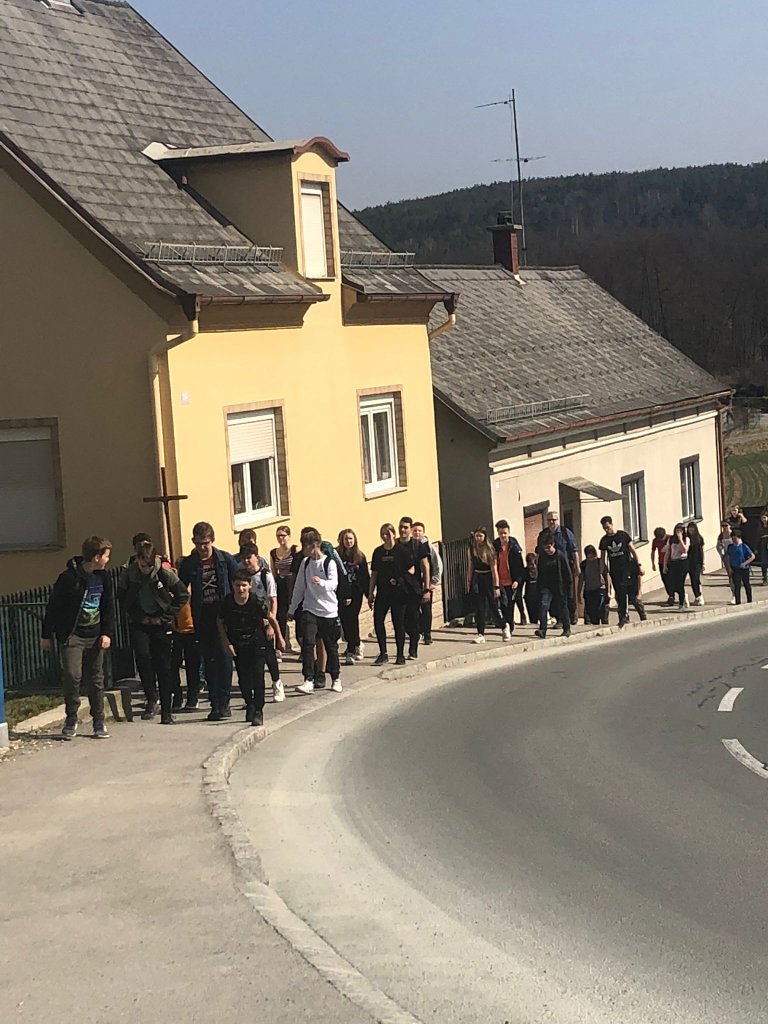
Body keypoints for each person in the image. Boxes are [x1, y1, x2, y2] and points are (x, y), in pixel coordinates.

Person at [41, 536, 115, 740]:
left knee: (96, 679)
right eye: (106, 556)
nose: (108, 560)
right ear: (96, 557)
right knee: (73, 675)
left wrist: (107, 632)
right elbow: (53, 606)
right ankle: (71, 717)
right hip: (73, 635)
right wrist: (46, 635)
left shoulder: (104, 578)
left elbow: (108, 607)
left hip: (95, 635)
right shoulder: (68, 578)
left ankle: (98, 721)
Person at [118, 540, 189, 724]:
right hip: (140, 621)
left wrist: (164, 617)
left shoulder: (164, 573)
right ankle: (151, 699)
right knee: (143, 657)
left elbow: (182, 595)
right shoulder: (130, 573)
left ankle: (166, 710)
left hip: (160, 622)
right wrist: (138, 616)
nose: (146, 570)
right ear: (137, 560)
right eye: (142, 566)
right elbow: (122, 598)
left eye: (149, 566)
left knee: (163, 665)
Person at [178, 522, 238, 721]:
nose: (202, 547)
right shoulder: (190, 564)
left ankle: (224, 702)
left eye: (205, 543)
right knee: (209, 660)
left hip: (222, 614)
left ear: (212, 540)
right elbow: (180, 588)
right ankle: (215, 703)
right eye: (198, 543)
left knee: (224, 658)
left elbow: (239, 581)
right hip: (202, 615)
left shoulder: (225, 560)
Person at [217, 569, 281, 726]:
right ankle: (249, 704)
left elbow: (271, 619)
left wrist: (279, 637)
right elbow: (220, 622)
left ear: (250, 585)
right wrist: (226, 643)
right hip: (238, 643)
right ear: (233, 585)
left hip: (257, 642)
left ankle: (258, 710)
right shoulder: (227, 602)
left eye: (244, 585)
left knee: (258, 675)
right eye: (238, 585)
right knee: (244, 679)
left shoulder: (256, 602)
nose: (241, 589)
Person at [288, 529, 342, 693]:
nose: (303, 550)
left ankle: (336, 678)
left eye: (305, 546)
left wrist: (321, 582)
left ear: (313, 546)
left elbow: (333, 584)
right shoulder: (305, 563)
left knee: (331, 646)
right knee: (308, 644)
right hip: (310, 609)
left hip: (328, 611)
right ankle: (308, 679)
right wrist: (292, 608)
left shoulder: (329, 563)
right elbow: (299, 587)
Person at [239, 542, 284, 702]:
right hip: (249, 622)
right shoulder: (242, 576)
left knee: (269, 655)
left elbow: (273, 600)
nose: (246, 561)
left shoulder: (265, 576)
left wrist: (271, 624)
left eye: (248, 558)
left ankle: (277, 683)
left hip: (265, 620)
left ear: (256, 557)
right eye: (243, 558)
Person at [369, 523, 409, 666]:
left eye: (388, 533)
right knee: (378, 621)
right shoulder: (378, 552)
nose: (385, 536)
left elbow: (411, 569)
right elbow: (374, 573)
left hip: (398, 593)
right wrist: (370, 592)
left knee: (398, 623)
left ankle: (400, 655)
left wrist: (401, 579)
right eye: (383, 534)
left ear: (393, 534)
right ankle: (383, 653)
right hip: (383, 592)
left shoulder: (401, 551)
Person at [599, 516, 645, 626]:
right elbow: (603, 557)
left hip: (627, 568)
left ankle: (639, 614)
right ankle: (623, 617)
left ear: (612, 524)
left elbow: (633, 550)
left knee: (629, 593)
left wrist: (639, 565)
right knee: (619, 594)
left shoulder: (623, 535)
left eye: (608, 527)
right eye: (604, 528)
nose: (607, 530)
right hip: (615, 570)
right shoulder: (604, 540)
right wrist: (602, 572)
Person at [170, 555, 202, 711]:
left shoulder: (193, 588)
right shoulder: (174, 588)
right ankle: (177, 696)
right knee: (173, 666)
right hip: (176, 631)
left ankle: (192, 697)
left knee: (192, 666)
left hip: (192, 631)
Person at [396, 517, 431, 659]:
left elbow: (425, 566)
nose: (403, 530)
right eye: (401, 527)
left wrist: (426, 589)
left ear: (410, 529)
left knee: (413, 619)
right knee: (401, 621)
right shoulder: (395, 545)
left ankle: (413, 649)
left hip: (413, 589)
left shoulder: (417, 546)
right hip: (398, 590)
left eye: (405, 527)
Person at [537, 512, 579, 622]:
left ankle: (571, 616)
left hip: (564, 568)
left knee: (567, 594)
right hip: (549, 569)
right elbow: (539, 553)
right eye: (549, 520)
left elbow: (574, 550)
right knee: (551, 597)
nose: (551, 522)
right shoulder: (543, 535)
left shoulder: (565, 533)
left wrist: (577, 566)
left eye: (554, 519)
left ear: (558, 520)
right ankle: (559, 619)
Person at [336, 529, 370, 665]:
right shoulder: (337, 555)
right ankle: (355, 642)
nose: (348, 541)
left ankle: (352, 648)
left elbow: (365, 577)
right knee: (344, 621)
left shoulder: (359, 556)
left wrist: (369, 595)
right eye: (346, 539)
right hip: (341, 593)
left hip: (356, 593)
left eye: (350, 539)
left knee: (352, 619)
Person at [466, 527, 503, 644]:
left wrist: (496, 586)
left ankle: (504, 626)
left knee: (493, 606)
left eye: (480, 536)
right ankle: (480, 634)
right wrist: (469, 581)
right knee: (479, 608)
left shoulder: (490, 550)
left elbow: (494, 570)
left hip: (488, 578)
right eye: (476, 536)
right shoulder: (472, 549)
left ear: (485, 537)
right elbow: (471, 566)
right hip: (477, 578)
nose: (478, 538)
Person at [491, 520, 524, 640]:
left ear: (508, 532)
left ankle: (509, 626)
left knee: (510, 605)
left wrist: (517, 580)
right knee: (500, 605)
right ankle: (505, 625)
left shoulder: (514, 546)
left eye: (505, 533)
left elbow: (520, 565)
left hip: (511, 581)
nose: (503, 536)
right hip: (499, 581)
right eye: (501, 533)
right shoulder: (495, 546)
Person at [534, 534, 572, 638]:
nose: (547, 550)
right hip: (546, 587)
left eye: (548, 547)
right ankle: (542, 630)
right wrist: (539, 587)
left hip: (559, 586)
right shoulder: (542, 557)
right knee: (543, 606)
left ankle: (567, 629)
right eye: (545, 548)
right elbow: (540, 572)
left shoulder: (560, 555)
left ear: (553, 544)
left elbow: (567, 573)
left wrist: (569, 589)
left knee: (562, 607)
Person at [411, 522, 443, 645]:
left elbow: (437, 564)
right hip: (414, 583)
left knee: (426, 609)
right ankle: (418, 632)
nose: (417, 533)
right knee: (414, 609)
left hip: (427, 583)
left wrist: (434, 581)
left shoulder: (428, 547)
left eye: (419, 530)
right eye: (415, 530)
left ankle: (427, 634)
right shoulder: (411, 546)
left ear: (423, 532)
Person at [270, 527, 296, 653]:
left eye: (283, 535)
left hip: (293, 584)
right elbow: (274, 572)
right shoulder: (273, 553)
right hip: (281, 585)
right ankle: (281, 645)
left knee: (296, 613)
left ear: (289, 536)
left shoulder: (294, 550)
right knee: (281, 615)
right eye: (278, 535)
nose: (281, 538)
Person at [662, 523, 690, 610]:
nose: (678, 532)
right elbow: (667, 552)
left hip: (683, 562)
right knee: (672, 583)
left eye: (680, 530)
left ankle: (681, 604)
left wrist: (680, 539)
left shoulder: (686, 539)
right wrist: (665, 565)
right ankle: (683, 596)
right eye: (677, 530)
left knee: (680, 583)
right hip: (674, 562)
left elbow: (685, 550)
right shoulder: (671, 539)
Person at [579, 544, 608, 626]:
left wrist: (608, 590)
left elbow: (607, 576)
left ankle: (605, 624)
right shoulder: (584, 564)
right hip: (589, 590)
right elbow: (581, 579)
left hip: (600, 589)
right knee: (592, 613)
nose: (591, 558)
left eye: (593, 556)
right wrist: (579, 593)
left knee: (603, 611)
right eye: (589, 556)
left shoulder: (600, 562)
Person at [727, 528, 755, 604]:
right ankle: (738, 602)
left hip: (744, 568)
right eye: (732, 538)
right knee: (737, 586)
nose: (733, 540)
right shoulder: (730, 547)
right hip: (735, 568)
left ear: (739, 538)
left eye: (735, 538)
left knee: (746, 584)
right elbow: (728, 557)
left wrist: (745, 563)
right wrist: (729, 568)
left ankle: (749, 600)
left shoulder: (744, 546)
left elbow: (752, 556)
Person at [651, 526, 675, 606]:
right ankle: (671, 595)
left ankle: (672, 595)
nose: (660, 540)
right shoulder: (655, 541)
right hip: (661, 562)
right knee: (665, 580)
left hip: (671, 562)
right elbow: (653, 551)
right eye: (659, 538)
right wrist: (653, 563)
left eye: (662, 538)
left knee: (671, 579)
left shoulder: (670, 538)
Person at [716, 521, 737, 605]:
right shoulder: (721, 536)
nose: (724, 527)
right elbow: (718, 546)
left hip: (735, 556)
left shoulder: (733, 534)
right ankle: (734, 594)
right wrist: (721, 554)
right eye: (723, 526)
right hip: (727, 557)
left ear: (730, 526)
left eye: (726, 525)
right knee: (730, 575)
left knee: (737, 574)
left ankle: (738, 592)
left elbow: (739, 543)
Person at [686, 522, 706, 606]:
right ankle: (697, 596)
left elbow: (701, 552)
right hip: (688, 562)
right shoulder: (686, 538)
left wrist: (702, 563)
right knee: (692, 580)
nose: (691, 529)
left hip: (697, 562)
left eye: (692, 528)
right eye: (689, 528)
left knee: (696, 579)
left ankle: (700, 596)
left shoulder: (698, 538)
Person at [522, 552, 540, 625]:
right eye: (530, 564)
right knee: (532, 618)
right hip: (529, 596)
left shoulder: (540, 570)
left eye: (533, 564)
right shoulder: (525, 571)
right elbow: (521, 582)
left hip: (539, 595)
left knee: (541, 613)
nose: (532, 566)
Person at [757, 512, 768, 585]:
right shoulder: (760, 527)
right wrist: (756, 548)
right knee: (764, 563)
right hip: (763, 546)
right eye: (762, 518)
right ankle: (765, 578)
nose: (763, 519)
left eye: (764, 517)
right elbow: (758, 538)